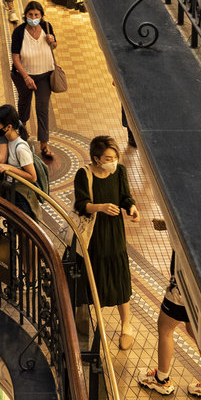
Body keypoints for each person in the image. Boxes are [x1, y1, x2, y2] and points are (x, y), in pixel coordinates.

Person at [73, 136, 139, 350]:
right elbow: (81, 204)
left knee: (120, 275)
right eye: (109, 158)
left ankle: (126, 325)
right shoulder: (84, 175)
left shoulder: (119, 171)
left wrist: (131, 208)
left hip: (115, 232)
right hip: (94, 234)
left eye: (115, 157)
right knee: (96, 275)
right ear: (96, 158)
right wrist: (100, 207)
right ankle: (98, 321)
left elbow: (125, 196)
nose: (113, 161)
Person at [138, 253, 201, 400]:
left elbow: (160, 227)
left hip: (183, 287)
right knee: (196, 331)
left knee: (165, 329)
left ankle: (161, 379)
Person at [10, 1, 57, 162]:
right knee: (24, 103)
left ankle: (44, 144)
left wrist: (53, 41)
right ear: (25, 15)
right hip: (24, 75)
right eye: (30, 15)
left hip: (44, 75)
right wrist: (26, 77)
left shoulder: (47, 27)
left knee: (42, 108)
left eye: (36, 15)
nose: (34, 18)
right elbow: (15, 58)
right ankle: (22, 132)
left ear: (41, 15)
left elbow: (54, 45)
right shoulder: (19, 32)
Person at [0, 103, 39, 219]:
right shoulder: (8, 141)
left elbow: (32, 177)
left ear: (8, 127)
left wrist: (10, 168)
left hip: (21, 197)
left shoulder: (21, 148)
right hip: (13, 192)